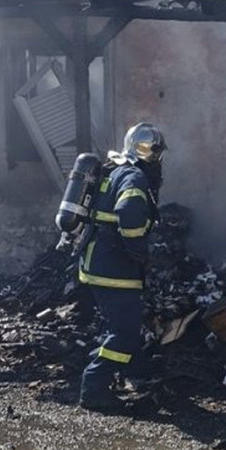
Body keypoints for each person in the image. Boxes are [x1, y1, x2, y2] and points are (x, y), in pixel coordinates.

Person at [78, 122, 167, 413]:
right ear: (152, 154)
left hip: (97, 263)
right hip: (114, 269)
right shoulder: (134, 176)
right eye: (158, 154)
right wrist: (139, 251)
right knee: (125, 333)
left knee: (120, 327)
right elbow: (128, 215)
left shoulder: (114, 169)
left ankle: (132, 372)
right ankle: (94, 386)